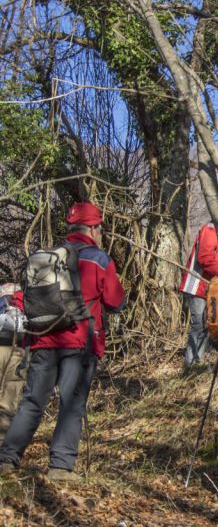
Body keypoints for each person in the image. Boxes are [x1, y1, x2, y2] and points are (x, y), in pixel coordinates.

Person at [0, 202, 125, 481]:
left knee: (32, 401)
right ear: (92, 228)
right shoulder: (99, 259)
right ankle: (60, 466)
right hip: (80, 341)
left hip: (43, 339)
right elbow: (116, 301)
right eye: (99, 227)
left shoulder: (47, 257)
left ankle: (7, 459)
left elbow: (27, 298)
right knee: (72, 403)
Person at [179, 204, 218, 369]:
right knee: (199, 324)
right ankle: (191, 365)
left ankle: (200, 362)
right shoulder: (211, 230)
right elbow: (205, 258)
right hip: (198, 284)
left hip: (213, 287)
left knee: (208, 324)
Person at [0, 283, 25, 439]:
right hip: (19, 350)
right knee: (9, 403)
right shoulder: (26, 300)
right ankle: (2, 442)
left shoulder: (2, 301)